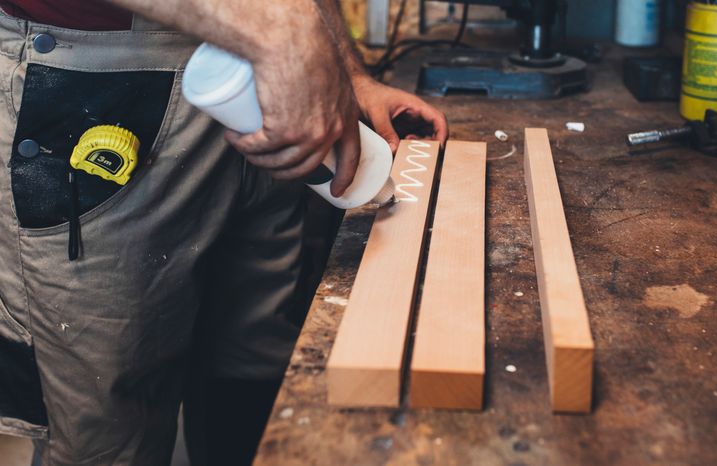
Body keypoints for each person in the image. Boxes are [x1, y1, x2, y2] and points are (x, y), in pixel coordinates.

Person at [0, 0, 448, 465]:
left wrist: (344, 70)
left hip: (262, 89)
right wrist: (282, 29)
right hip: (107, 78)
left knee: (255, 380)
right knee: (108, 434)